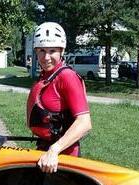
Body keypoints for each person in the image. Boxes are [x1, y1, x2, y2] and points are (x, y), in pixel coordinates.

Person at [27, 22, 92, 173]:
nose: (46, 57)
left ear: (62, 51)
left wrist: (54, 150)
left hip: (63, 158)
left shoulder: (67, 77)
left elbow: (84, 123)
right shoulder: (46, 75)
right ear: (36, 51)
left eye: (52, 51)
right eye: (42, 50)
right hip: (45, 152)